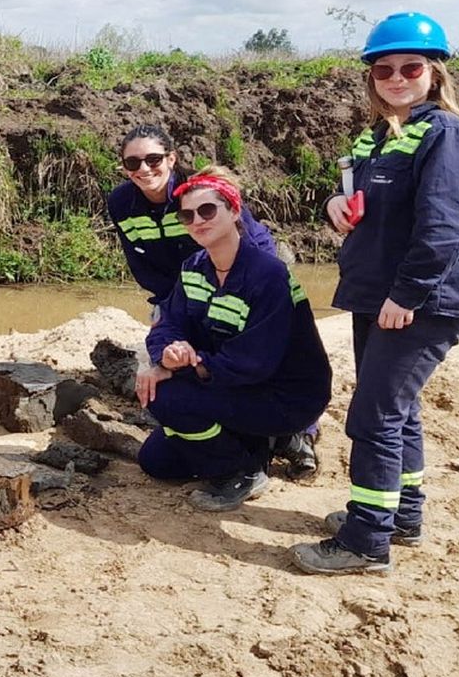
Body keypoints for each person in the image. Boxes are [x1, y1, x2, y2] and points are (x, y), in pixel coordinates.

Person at [290, 12, 459, 575]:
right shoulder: (381, 134)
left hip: (417, 301)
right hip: (377, 293)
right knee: (397, 412)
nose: (397, 77)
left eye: (410, 67)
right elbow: (362, 196)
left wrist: (408, 296)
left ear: (435, 73)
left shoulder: (447, 135)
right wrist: (335, 203)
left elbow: (445, 229)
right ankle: (401, 515)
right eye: (385, 69)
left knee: (374, 416)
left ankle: (365, 542)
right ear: (371, 77)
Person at [107, 125, 319, 478]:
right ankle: (241, 433)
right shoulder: (121, 203)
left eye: (154, 159)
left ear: (171, 159)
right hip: (189, 285)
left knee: (258, 358)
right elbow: (139, 257)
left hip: (236, 279)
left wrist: (252, 286)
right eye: (133, 162)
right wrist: (173, 314)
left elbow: (250, 244)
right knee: (161, 452)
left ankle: (297, 433)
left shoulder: (199, 194)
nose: (144, 169)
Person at [133, 168, 332, 511]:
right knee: (156, 462)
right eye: (187, 215)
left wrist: (180, 369)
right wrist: (166, 354)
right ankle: (259, 445)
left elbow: (253, 361)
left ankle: (240, 472)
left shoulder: (267, 274)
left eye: (207, 210)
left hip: (285, 396)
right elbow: (169, 323)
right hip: (237, 385)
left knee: (165, 398)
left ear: (235, 211)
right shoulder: (194, 267)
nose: (197, 220)